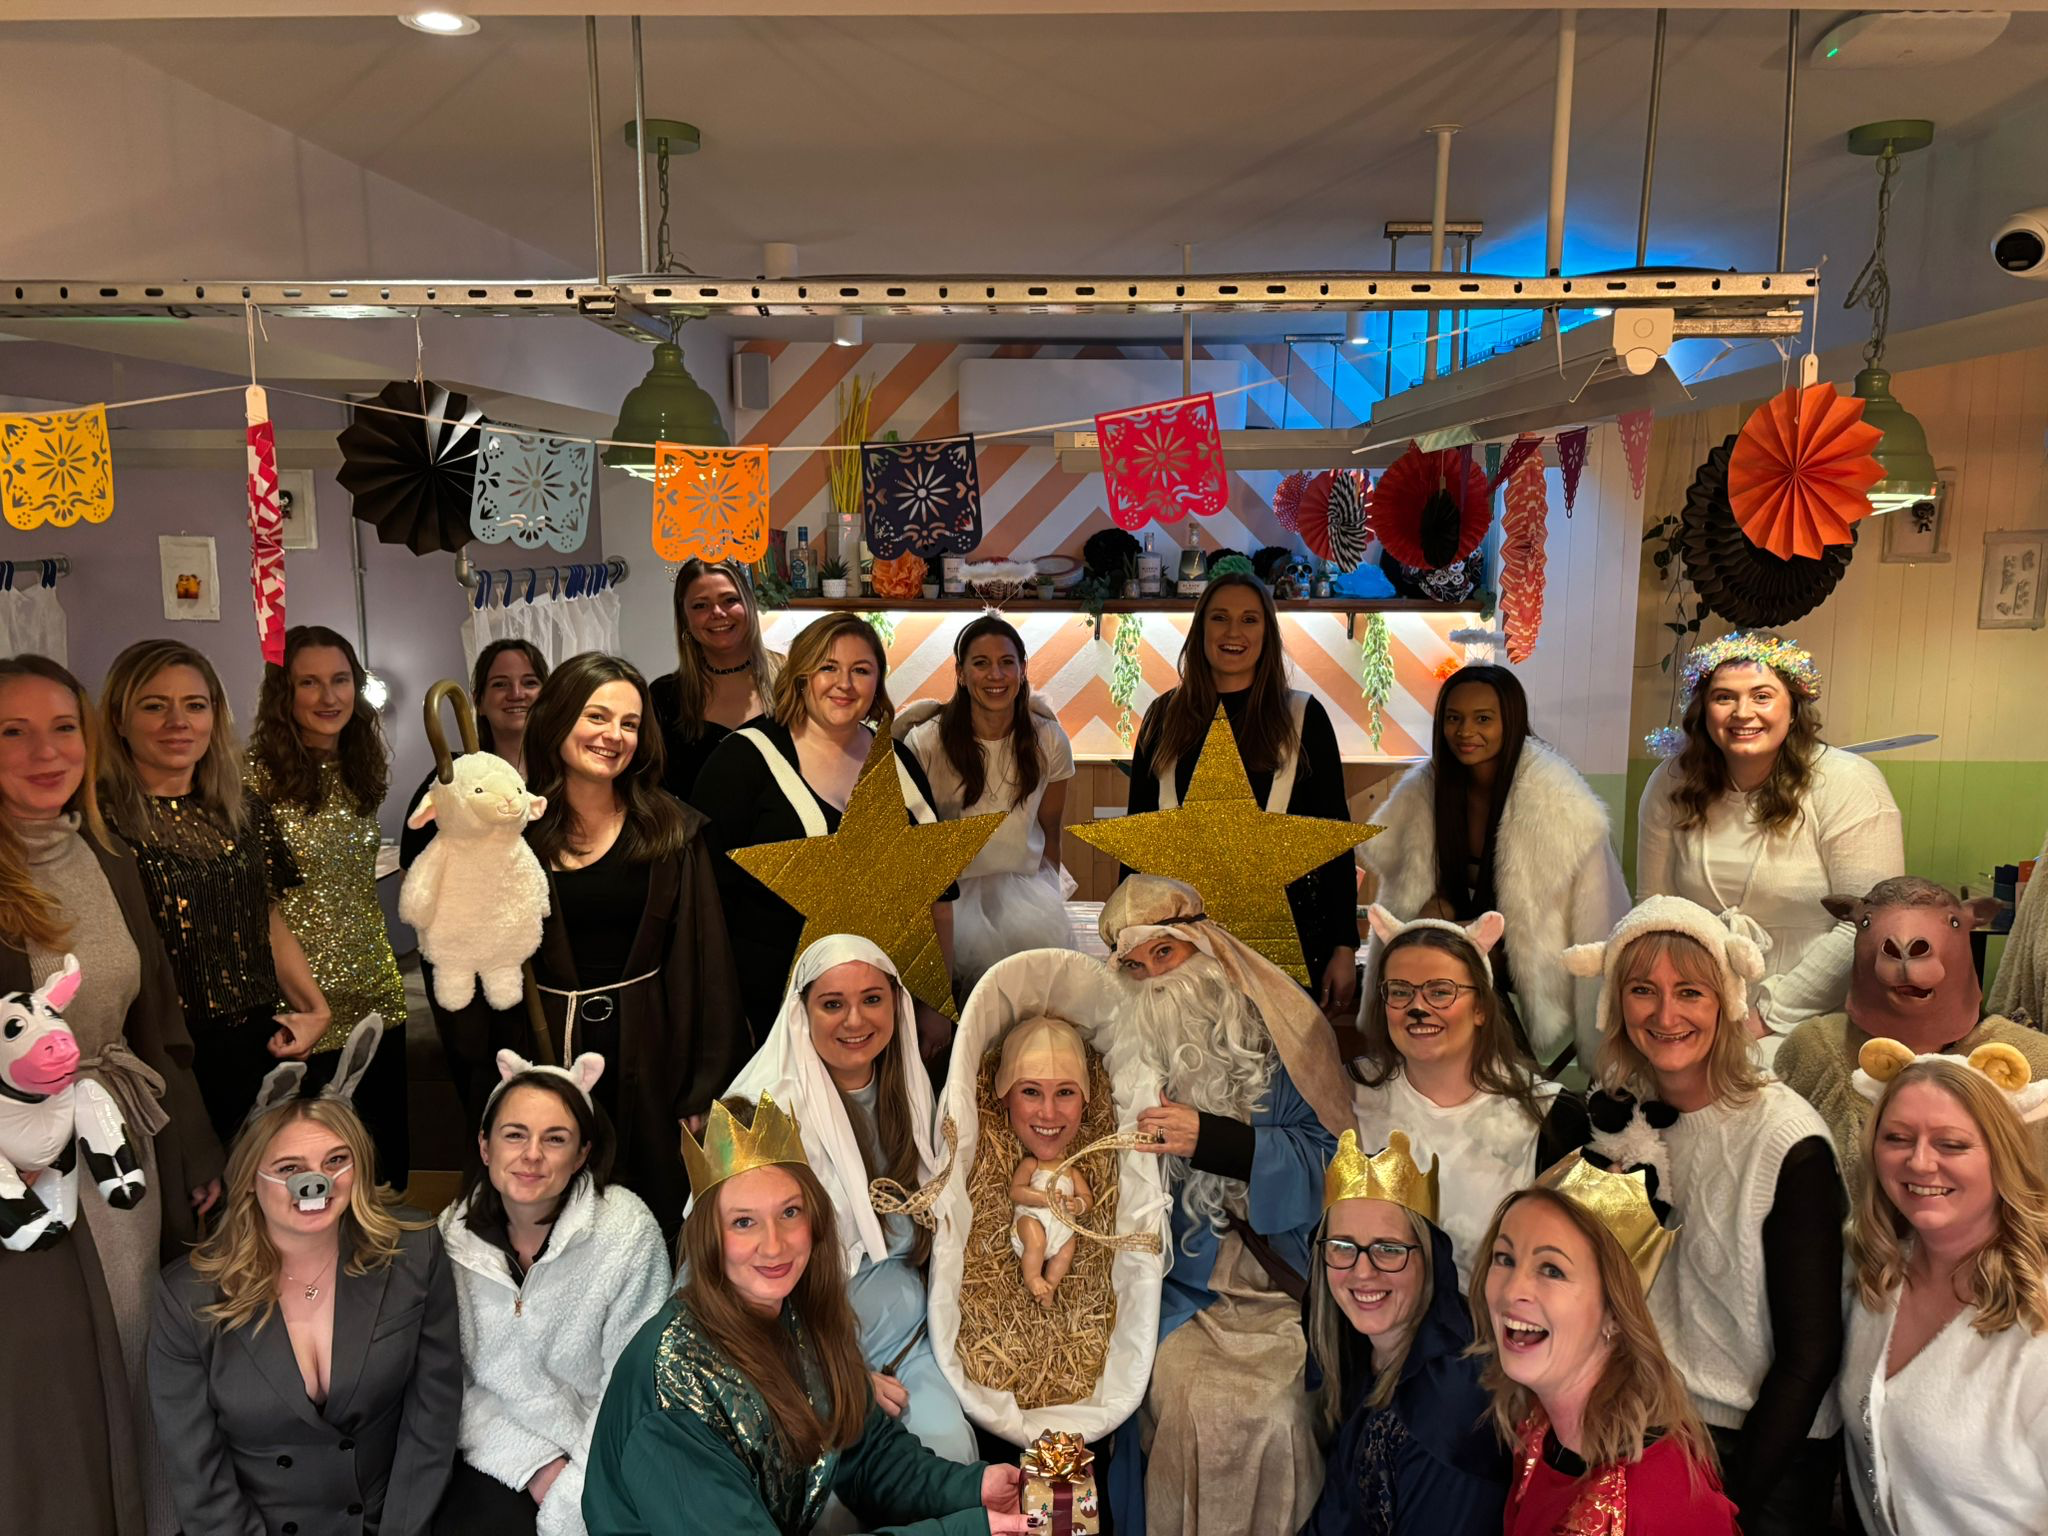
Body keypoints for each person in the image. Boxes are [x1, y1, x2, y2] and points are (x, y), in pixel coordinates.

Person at [0, 653, 224, 1536]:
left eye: (62, 728)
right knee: (50, 1382)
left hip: (123, 1160)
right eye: (11, 732)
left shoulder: (110, 861)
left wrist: (197, 1144)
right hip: (25, 1171)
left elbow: (157, 1022)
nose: (44, 751)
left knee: (137, 1351)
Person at [581, 1092, 1028, 1536]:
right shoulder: (674, 1392)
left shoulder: (797, 1312)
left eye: (789, 1212)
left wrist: (973, 1490)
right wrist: (966, 1530)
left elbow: (863, 1452)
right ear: (709, 1237)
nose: (774, 1245)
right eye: (743, 1222)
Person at [442, 652, 746, 1240]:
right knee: (545, 1216)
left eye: (629, 724)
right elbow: (472, 958)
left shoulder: (672, 832)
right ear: (558, 719)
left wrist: (704, 1085)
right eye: (597, 716)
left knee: (647, 1218)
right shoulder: (509, 830)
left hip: (649, 1052)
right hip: (538, 1048)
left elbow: (707, 963)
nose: (613, 736)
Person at [1567, 895, 1844, 1534]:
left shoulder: (1786, 1141)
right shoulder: (1617, 1117)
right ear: (1616, 1003)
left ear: (1725, 999)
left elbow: (1813, 1351)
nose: (1666, 1014)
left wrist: (1726, 1503)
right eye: (1643, 990)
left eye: (1689, 991)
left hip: (1762, 1447)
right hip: (1648, 1423)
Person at [1098, 873, 1349, 1536]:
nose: (1151, 978)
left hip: (1278, 1288)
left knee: (1280, 1415)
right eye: (1133, 965)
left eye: (1164, 955)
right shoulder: (1124, 1058)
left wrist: (1219, 1142)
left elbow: (1331, 1160)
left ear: (1202, 950)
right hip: (1180, 1293)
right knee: (1186, 1405)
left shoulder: (1276, 1038)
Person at [149, 1057, 461, 1536]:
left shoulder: (414, 1251)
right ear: (252, 1179)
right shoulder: (186, 1298)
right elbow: (199, 1472)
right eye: (289, 1167)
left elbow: (432, 1414)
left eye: (336, 1161)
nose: (317, 1182)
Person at [723, 934, 972, 1462]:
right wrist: (839, 1374)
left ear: (896, 1005)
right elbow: (736, 1279)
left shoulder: (909, 1090)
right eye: (833, 1004)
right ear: (803, 1013)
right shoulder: (765, 1113)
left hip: (913, 1343)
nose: (855, 1021)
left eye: (872, 999)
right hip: (803, 1356)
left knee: (947, 1453)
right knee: (835, 1490)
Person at [98, 637, 331, 1143]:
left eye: (194, 705)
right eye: (154, 706)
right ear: (118, 720)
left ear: (214, 717)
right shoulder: (99, 824)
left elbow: (265, 918)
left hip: (258, 1040)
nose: (177, 722)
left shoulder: (243, 811)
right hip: (158, 1053)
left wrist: (315, 1010)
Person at [1635, 632, 1903, 1063]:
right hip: (1697, 1005)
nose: (1743, 713)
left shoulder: (1848, 783)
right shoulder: (1672, 782)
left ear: (1793, 707)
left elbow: (1866, 922)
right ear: (1704, 710)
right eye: (1724, 697)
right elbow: (1653, 907)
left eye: (1762, 695)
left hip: (1814, 1013)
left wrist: (1763, 1018)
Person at [437, 1050, 671, 1536]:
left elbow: (633, 1387)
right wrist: (537, 1467)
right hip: (497, 1446)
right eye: (514, 1134)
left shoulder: (627, 1232)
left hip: (607, 1447)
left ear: (583, 1153)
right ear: (485, 1146)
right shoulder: (450, 1238)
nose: (532, 1155)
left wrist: (574, 1494)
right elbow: (446, 1384)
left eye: (555, 1139)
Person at [693, 612, 954, 1041]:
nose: (844, 684)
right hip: (770, 1009)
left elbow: (939, 897)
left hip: (884, 1005)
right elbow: (705, 903)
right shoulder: (741, 761)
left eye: (861, 670)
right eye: (828, 667)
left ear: (877, 683)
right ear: (800, 677)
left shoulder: (898, 762)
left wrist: (934, 1005)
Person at [1360, 663, 1627, 1070]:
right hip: (1461, 951)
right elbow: (1402, 895)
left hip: (1535, 953)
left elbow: (1599, 916)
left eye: (1483, 719)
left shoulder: (1559, 802)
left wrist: (1602, 1030)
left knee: (1456, 967)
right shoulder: (1427, 790)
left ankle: (1509, 1083)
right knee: (1435, 937)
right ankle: (1438, 1077)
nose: (1466, 732)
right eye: (1454, 718)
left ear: (1512, 722)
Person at [1125, 573, 1359, 1015]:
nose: (1234, 632)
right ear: (1201, 631)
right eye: (1220, 618)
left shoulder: (1303, 716)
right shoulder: (1162, 717)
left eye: (1249, 619)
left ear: (1267, 633)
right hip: (1178, 951)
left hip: (1284, 940)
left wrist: (1344, 945)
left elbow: (1334, 840)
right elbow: (1139, 842)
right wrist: (1125, 937)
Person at [1840, 1045, 2048, 1535]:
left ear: (2003, 1155)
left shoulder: (2037, 1322)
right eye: (1897, 1138)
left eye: (1952, 1144)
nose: (1920, 1162)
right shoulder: (1873, 1277)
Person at [1472, 1161, 1739, 1535]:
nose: (1511, 1290)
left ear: (1615, 1313)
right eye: (1505, 1258)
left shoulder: (1662, 1500)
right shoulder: (1537, 1429)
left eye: (1552, 1270)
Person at [247, 623, 412, 1182]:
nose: (329, 697)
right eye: (309, 683)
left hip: (376, 994)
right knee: (312, 1175)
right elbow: (258, 906)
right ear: (283, 694)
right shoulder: (253, 781)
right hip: (301, 1007)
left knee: (381, 1172)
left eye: (341, 680)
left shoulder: (363, 769)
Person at [1350, 906, 1586, 1285]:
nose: (1417, 1008)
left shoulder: (1549, 1116)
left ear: (1480, 1008)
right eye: (1400, 992)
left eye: (1440, 992)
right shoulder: (1350, 1093)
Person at [1777, 875, 2048, 1199]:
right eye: (1867, 923)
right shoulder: (1815, 1049)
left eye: (1951, 923)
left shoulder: (2034, 1061)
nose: (1904, 944)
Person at [1300, 1130, 1506, 1536]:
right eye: (1342, 1246)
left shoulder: (1449, 1405)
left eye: (1389, 1249)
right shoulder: (1365, 1350)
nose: (1362, 1271)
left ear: (1428, 1258)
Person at [396, 639, 548, 1119]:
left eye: (529, 682)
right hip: (468, 956)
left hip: (543, 952)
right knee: (480, 1073)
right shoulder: (451, 776)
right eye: (500, 685)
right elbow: (413, 859)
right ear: (478, 698)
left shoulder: (561, 770)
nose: (516, 694)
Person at [899, 615, 1076, 993]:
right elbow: (912, 845)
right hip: (951, 901)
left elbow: (1051, 832)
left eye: (1006, 662)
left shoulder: (1049, 741)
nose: (995, 675)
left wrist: (1049, 903)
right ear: (961, 673)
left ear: (1022, 669)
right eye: (981, 663)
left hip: (1026, 898)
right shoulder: (926, 742)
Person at [649, 558, 781, 805]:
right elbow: (650, 791)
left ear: (749, 604)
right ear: (685, 618)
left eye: (730, 600)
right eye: (700, 605)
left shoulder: (792, 681)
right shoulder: (663, 696)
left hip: (788, 843)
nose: (718, 613)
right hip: (693, 843)